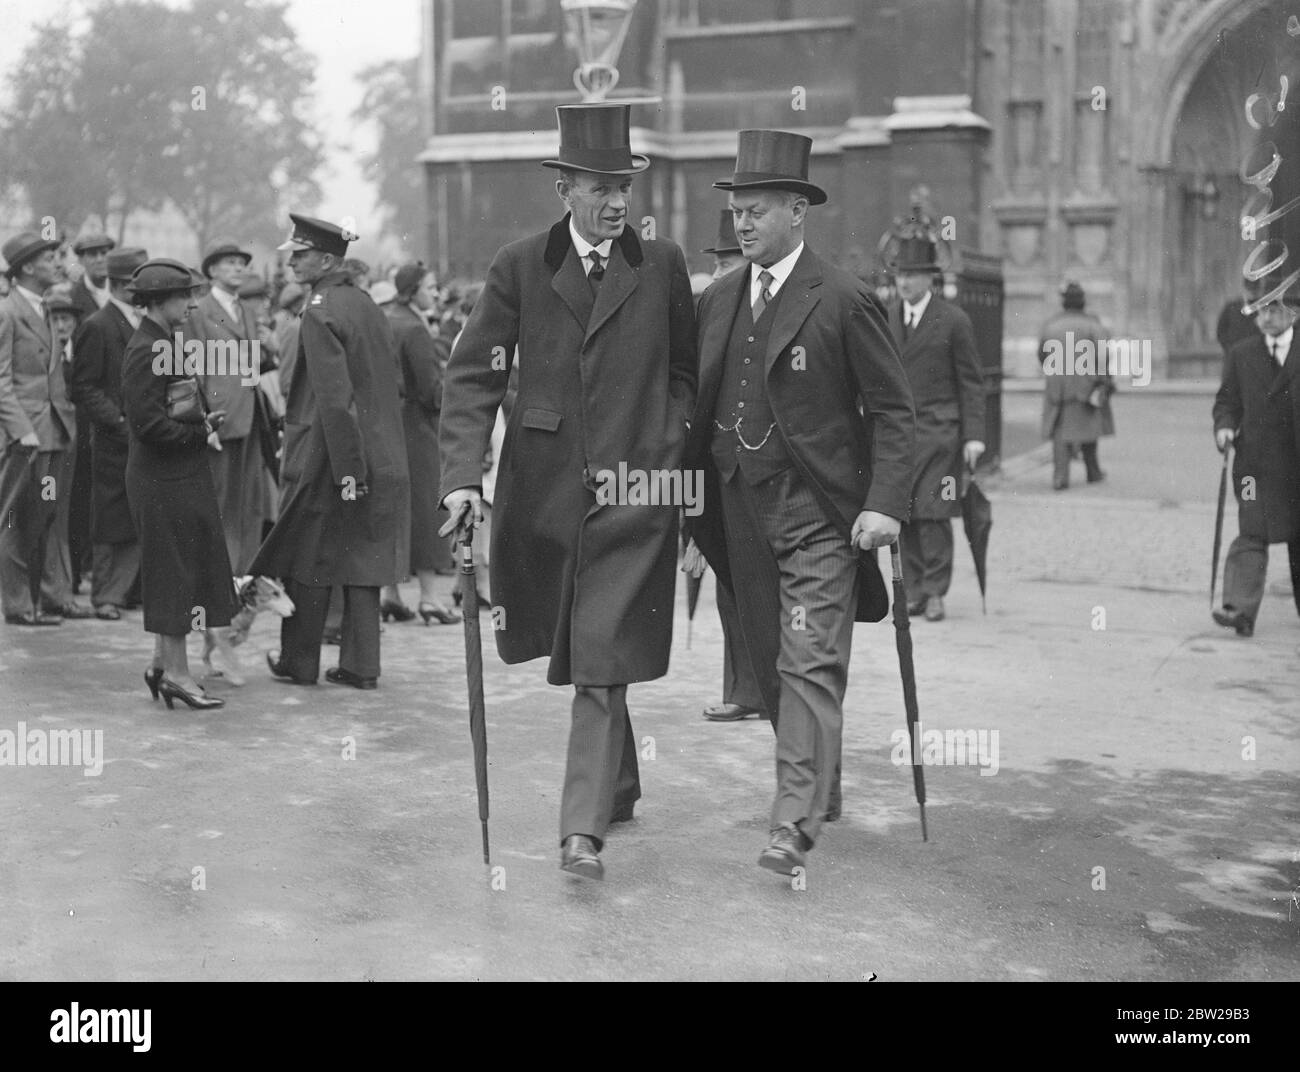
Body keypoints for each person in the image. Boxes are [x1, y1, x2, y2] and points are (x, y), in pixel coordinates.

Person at [439, 102, 697, 881]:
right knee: (593, 646)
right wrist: (460, 481)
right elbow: (472, 376)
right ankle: (617, 783)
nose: (618, 202)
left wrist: (665, 441)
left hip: (637, 491)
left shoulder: (665, 265)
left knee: (596, 657)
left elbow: (685, 373)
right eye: (600, 187)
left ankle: (579, 830)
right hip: (549, 494)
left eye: (624, 186)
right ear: (565, 189)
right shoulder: (521, 265)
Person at [682, 128, 915, 875]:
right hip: (739, 514)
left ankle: (792, 824)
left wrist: (884, 502)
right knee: (770, 661)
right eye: (737, 211)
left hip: (820, 515)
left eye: (756, 210)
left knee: (809, 660)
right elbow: (692, 404)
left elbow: (894, 411)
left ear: (797, 211)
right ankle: (824, 785)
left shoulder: (844, 299)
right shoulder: (717, 301)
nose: (742, 223)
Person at [252, 214, 410, 689]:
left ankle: (299, 663)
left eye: (300, 255)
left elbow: (334, 402)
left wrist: (347, 471)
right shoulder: (362, 302)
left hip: (329, 453)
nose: (292, 262)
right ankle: (361, 666)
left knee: (307, 554)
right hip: (380, 449)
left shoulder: (319, 310)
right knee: (362, 557)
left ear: (325, 260)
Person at [121, 258, 233, 710]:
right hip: (162, 478)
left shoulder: (161, 340)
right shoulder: (148, 348)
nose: (190, 303)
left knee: (180, 569)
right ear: (157, 300)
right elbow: (147, 425)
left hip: (174, 476)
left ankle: (161, 664)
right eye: (182, 296)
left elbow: (169, 408)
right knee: (174, 573)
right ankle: (179, 675)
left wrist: (200, 419)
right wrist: (199, 432)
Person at [695, 209, 768, 724]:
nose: (726, 271)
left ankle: (777, 688)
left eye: (733, 260)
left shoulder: (779, 299)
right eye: (720, 262)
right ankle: (744, 688)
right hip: (725, 467)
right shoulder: (711, 306)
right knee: (730, 584)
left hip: (779, 468)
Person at [890, 236, 985, 622]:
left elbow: (972, 382)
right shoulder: (888, 316)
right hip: (900, 434)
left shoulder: (954, 320)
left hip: (940, 432)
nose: (905, 283)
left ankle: (934, 591)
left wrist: (975, 436)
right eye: (900, 274)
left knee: (934, 512)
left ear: (930, 279)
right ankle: (913, 589)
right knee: (904, 512)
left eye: (913, 275)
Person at [1211, 284, 1300, 637]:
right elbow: (1226, 402)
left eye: (1273, 310)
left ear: (1292, 312)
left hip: (1296, 468)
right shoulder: (1241, 353)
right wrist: (1224, 427)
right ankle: (1239, 609)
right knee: (1251, 530)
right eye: (1259, 310)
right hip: (1254, 468)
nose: (1264, 318)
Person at [0, 231, 78, 626]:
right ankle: (17, 605)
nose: (57, 264)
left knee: (45, 514)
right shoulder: (8, 311)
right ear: (28, 267)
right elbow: (1, 380)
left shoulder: (43, 309)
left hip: (52, 433)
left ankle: (48, 598)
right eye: (49, 258)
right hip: (24, 438)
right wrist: (20, 430)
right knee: (15, 518)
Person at [69, 247, 149, 620]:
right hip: (113, 440)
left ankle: (127, 591)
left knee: (135, 514)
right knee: (110, 516)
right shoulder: (98, 325)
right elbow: (83, 387)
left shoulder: (141, 323)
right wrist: (116, 422)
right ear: (124, 285)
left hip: (139, 437)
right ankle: (106, 596)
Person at [381, 261, 459, 626]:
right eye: (429, 287)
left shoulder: (390, 319)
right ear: (413, 291)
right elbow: (430, 392)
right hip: (418, 428)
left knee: (398, 510)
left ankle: (391, 594)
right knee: (429, 508)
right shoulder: (415, 329)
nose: (436, 293)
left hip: (391, 424)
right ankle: (429, 597)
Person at [183, 242, 267, 575]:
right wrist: (200, 420)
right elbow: (192, 370)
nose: (238, 268)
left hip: (249, 413)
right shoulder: (198, 310)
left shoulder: (245, 309)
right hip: (219, 418)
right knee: (219, 500)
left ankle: (242, 573)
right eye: (229, 263)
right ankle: (217, 572)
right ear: (213, 270)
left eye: (242, 263)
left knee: (248, 501)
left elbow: (252, 364)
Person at [68, 232, 116, 593]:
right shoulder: (73, 298)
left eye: (104, 254)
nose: (100, 260)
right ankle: (78, 563)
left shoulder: (122, 293)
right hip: (84, 405)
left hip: (114, 404)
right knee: (79, 486)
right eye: (92, 255)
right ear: (81, 260)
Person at [1039, 280, 1113, 490]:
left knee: (1061, 432)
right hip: (1086, 385)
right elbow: (1103, 356)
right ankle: (1093, 471)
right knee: (1090, 427)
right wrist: (1103, 381)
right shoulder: (1093, 325)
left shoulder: (1050, 325)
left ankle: (1060, 477)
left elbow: (1042, 354)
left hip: (1058, 386)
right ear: (1082, 302)